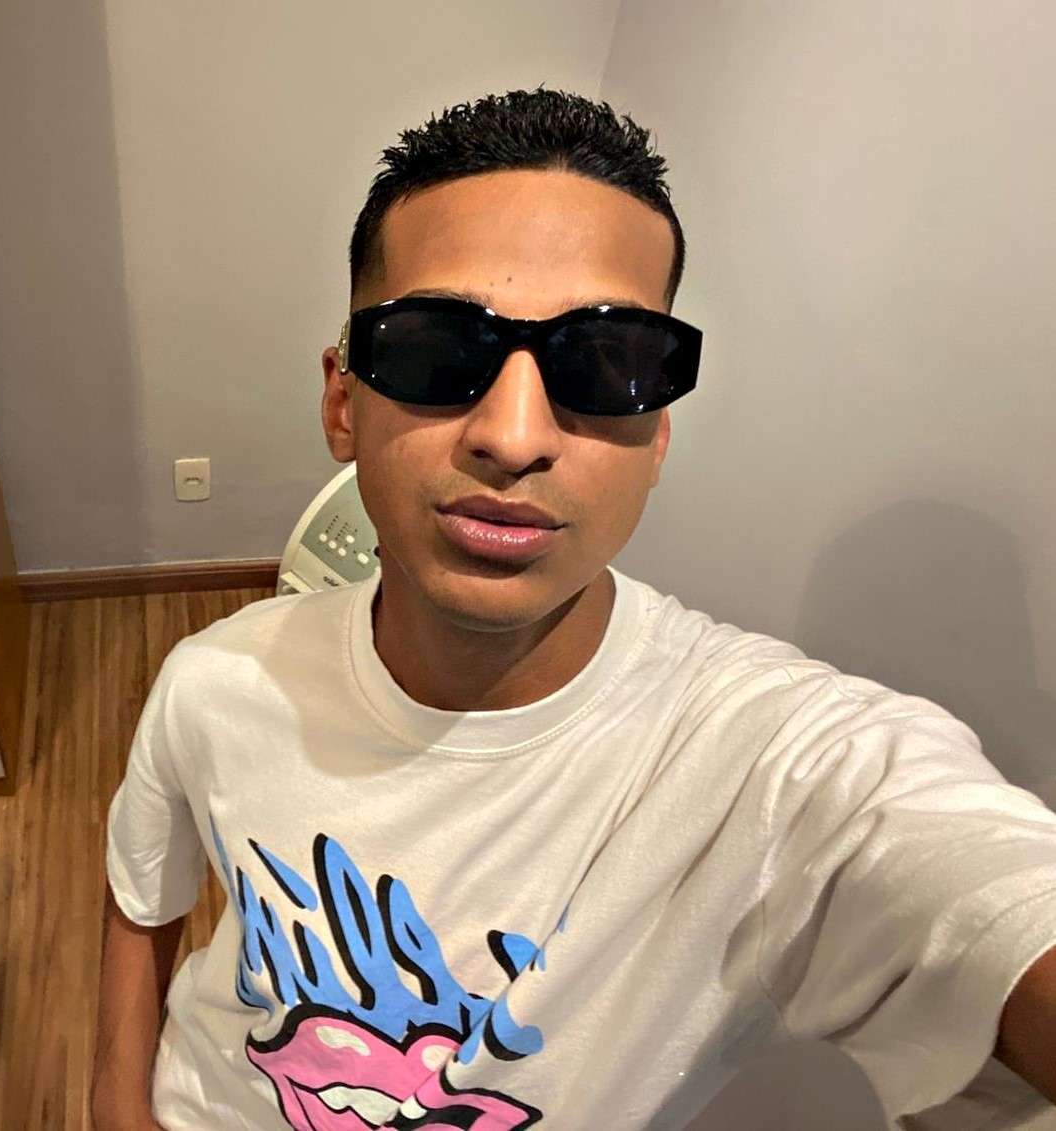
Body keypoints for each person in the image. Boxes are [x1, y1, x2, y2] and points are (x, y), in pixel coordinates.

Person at [93, 88, 1056, 1131]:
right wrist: (114, 1101)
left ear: (658, 435)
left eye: (607, 364)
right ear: (341, 402)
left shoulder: (776, 769)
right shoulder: (215, 681)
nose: (512, 437)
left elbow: (979, 892)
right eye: (434, 347)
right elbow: (143, 896)